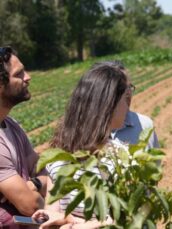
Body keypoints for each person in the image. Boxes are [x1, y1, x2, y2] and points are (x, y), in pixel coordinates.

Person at [32, 62, 130, 228]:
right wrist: (57, 218)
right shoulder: (118, 156)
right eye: (124, 98)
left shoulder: (59, 153)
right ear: (109, 105)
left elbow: (125, 218)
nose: (127, 105)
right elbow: (53, 208)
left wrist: (84, 224)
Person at [0, 46, 47, 227]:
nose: (28, 77)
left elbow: (42, 169)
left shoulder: (11, 125)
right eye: (19, 74)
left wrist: (34, 183)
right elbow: (30, 206)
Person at [105, 61, 160, 149]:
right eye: (123, 88)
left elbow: (154, 162)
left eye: (130, 87)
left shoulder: (144, 125)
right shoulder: (84, 131)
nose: (128, 93)